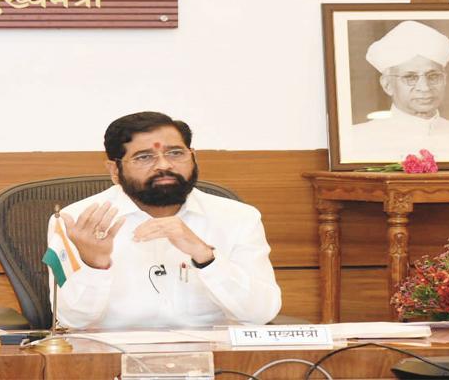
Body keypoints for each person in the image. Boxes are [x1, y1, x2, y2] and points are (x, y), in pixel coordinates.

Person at [48, 111, 281, 329]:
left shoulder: (238, 218)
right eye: (144, 157)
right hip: (111, 356)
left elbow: (261, 313)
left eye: (176, 153)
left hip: (212, 357)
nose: (164, 165)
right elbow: (70, 320)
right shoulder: (77, 222)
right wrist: (95, 265)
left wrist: (206, 257)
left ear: (194, 157)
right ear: (114, 170)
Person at [347, 20, 449, 161]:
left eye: (433, 76)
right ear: (387, 84)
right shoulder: (357, 139)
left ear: (444, 80)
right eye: (410, 77)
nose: (424, 88)